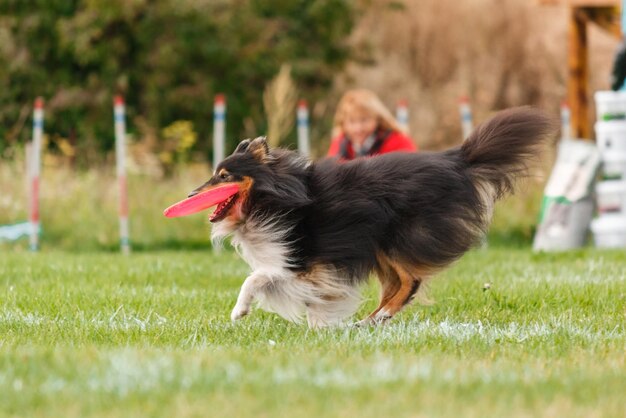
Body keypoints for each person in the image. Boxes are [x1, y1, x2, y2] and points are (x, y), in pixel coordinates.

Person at [327, 89, 417, 159]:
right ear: (343, 122)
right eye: (352, 121)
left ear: (377, 118)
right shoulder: (339, 145)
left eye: (364, 120)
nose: (358, 128)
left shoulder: (398, 142)